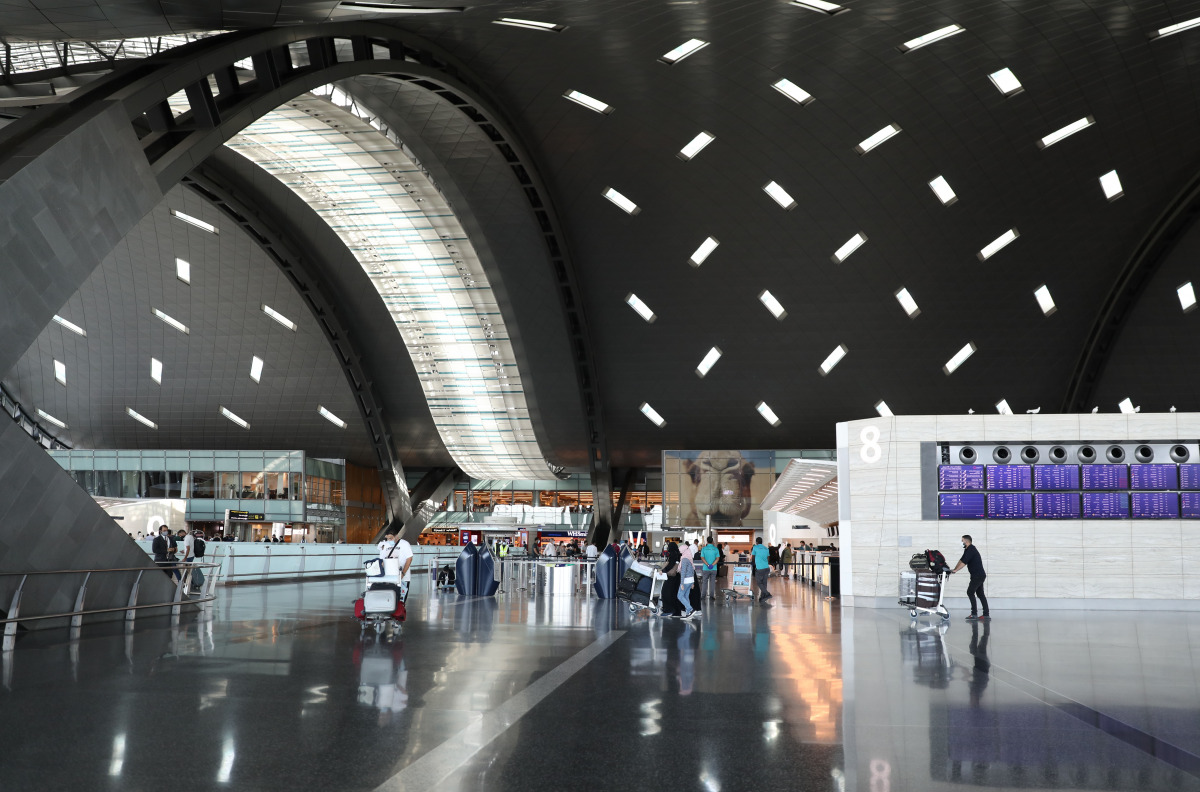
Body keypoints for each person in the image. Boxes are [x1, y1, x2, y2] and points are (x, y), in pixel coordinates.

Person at [951, 534, 989, 620]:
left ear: (966, 541)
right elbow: (961, 560)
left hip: (977, 575)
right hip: (978, 575)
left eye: (962, 541)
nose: (961, 542)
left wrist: (956, 570)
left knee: (970, 592)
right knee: (980, 594)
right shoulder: (968, 549)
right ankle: (986, 614)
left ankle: (974, 614)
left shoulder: (971, 550)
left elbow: (964, 563)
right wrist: (954, 569)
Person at [661, 541, 683, 617]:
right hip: (677, 576)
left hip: (671, 577)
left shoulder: (673, 553)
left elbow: (671, 564)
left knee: (666, 592)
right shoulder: (678, 554)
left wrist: (663, 570)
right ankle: (677, 612)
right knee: (674, 594)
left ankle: (668, 610)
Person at [750, 537, 772, 602]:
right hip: (766, 568)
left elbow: (753, 557)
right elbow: (768, 558)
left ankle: (767, 594)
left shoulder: (755, 548)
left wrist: (754, 563)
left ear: (756, 542)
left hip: (759, 568)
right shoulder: (766, 548)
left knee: (759, 582)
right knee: (764, 583)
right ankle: (762, 597)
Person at [677, 551, 697, 618]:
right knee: (686, 596)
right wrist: (693, 582)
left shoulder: (684, 560)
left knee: (679, 596)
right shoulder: (689, 559)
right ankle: (688, 614)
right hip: (690, 580)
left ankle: (690, 609)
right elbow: (692, 571)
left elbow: (683, 572)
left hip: (686, 581)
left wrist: (681, 583)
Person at [699, 537, 719, 601]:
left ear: (707, 541)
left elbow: (702, 558)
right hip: (714, 568)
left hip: (705, 568)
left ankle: (703, 596)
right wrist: (712, 565)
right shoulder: (716, 549)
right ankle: (711, 596)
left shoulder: (704, 549)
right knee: (712, 582)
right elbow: (717, 558)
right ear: (712, 541)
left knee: (704, 582)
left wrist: (707, 565)